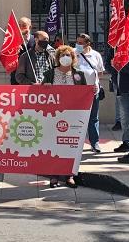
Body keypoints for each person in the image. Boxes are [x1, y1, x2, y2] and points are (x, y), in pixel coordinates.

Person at [42, 45, 87, 188]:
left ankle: (69, 176)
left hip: (73, 116)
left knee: (70, 146)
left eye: (68, 55)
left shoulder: (79, 74)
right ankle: (54, 176)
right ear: (58, 58)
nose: (65, 58)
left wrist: (93, 90)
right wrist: (45, 87)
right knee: (53, 145)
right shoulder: (50, 73)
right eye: (62, 55)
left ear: (73, 58)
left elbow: (85, 93)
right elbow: (41, 94)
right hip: (53, 115)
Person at [75, 33, 105, 153]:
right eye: (77, 42)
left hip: (92, 91)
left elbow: (100, 72)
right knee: (77, 118)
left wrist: (94, 82)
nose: (78, 45)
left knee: (93, 118)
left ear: (88, 44)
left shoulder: (95, 55)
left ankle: (95, 143)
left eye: (81, 43)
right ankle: (76, 143)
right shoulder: (73, 53)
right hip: (77, 92)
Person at [10, 17, 35, 85]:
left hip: (32, 78)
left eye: (24, 25)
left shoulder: (35, 40)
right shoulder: (13, 41)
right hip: (16, 78)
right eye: (19, 25)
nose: (21, 28)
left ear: (30, 27)